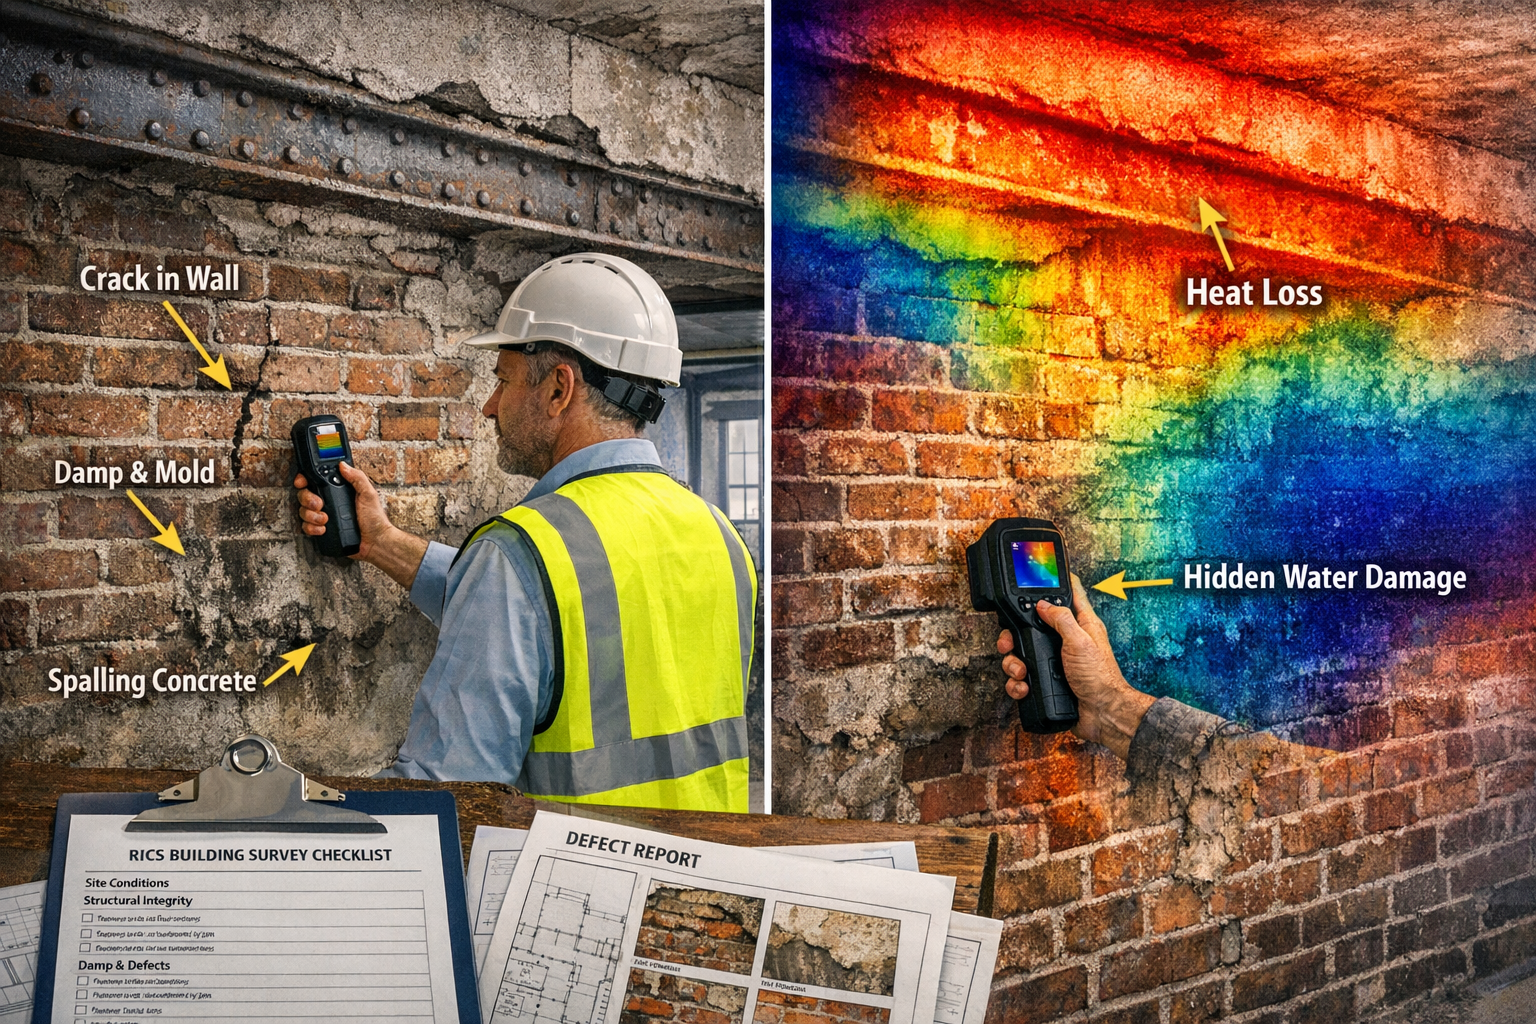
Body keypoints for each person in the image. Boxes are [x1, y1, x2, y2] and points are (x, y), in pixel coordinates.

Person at [293, 253, 757, 811]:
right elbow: (562, 631)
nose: (490, 407)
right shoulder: (720, 535)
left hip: (568, 880)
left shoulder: (520, 553)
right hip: (702, 883)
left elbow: (450, 788)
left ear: (559, 389)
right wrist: (382, 542)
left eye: (502, 381)